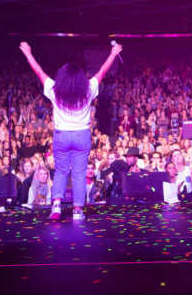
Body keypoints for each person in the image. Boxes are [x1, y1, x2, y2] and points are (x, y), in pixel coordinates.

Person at [20, 40, 122, 221]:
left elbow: (39, 72)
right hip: (82, 135)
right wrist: (113, 54)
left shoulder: (54, 89)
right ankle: (77, 211)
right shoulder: (88, 88)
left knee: (60, 172)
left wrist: (28, 54)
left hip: (62, 136)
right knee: (79, 173)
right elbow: (102, 72)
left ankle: (56, 207)